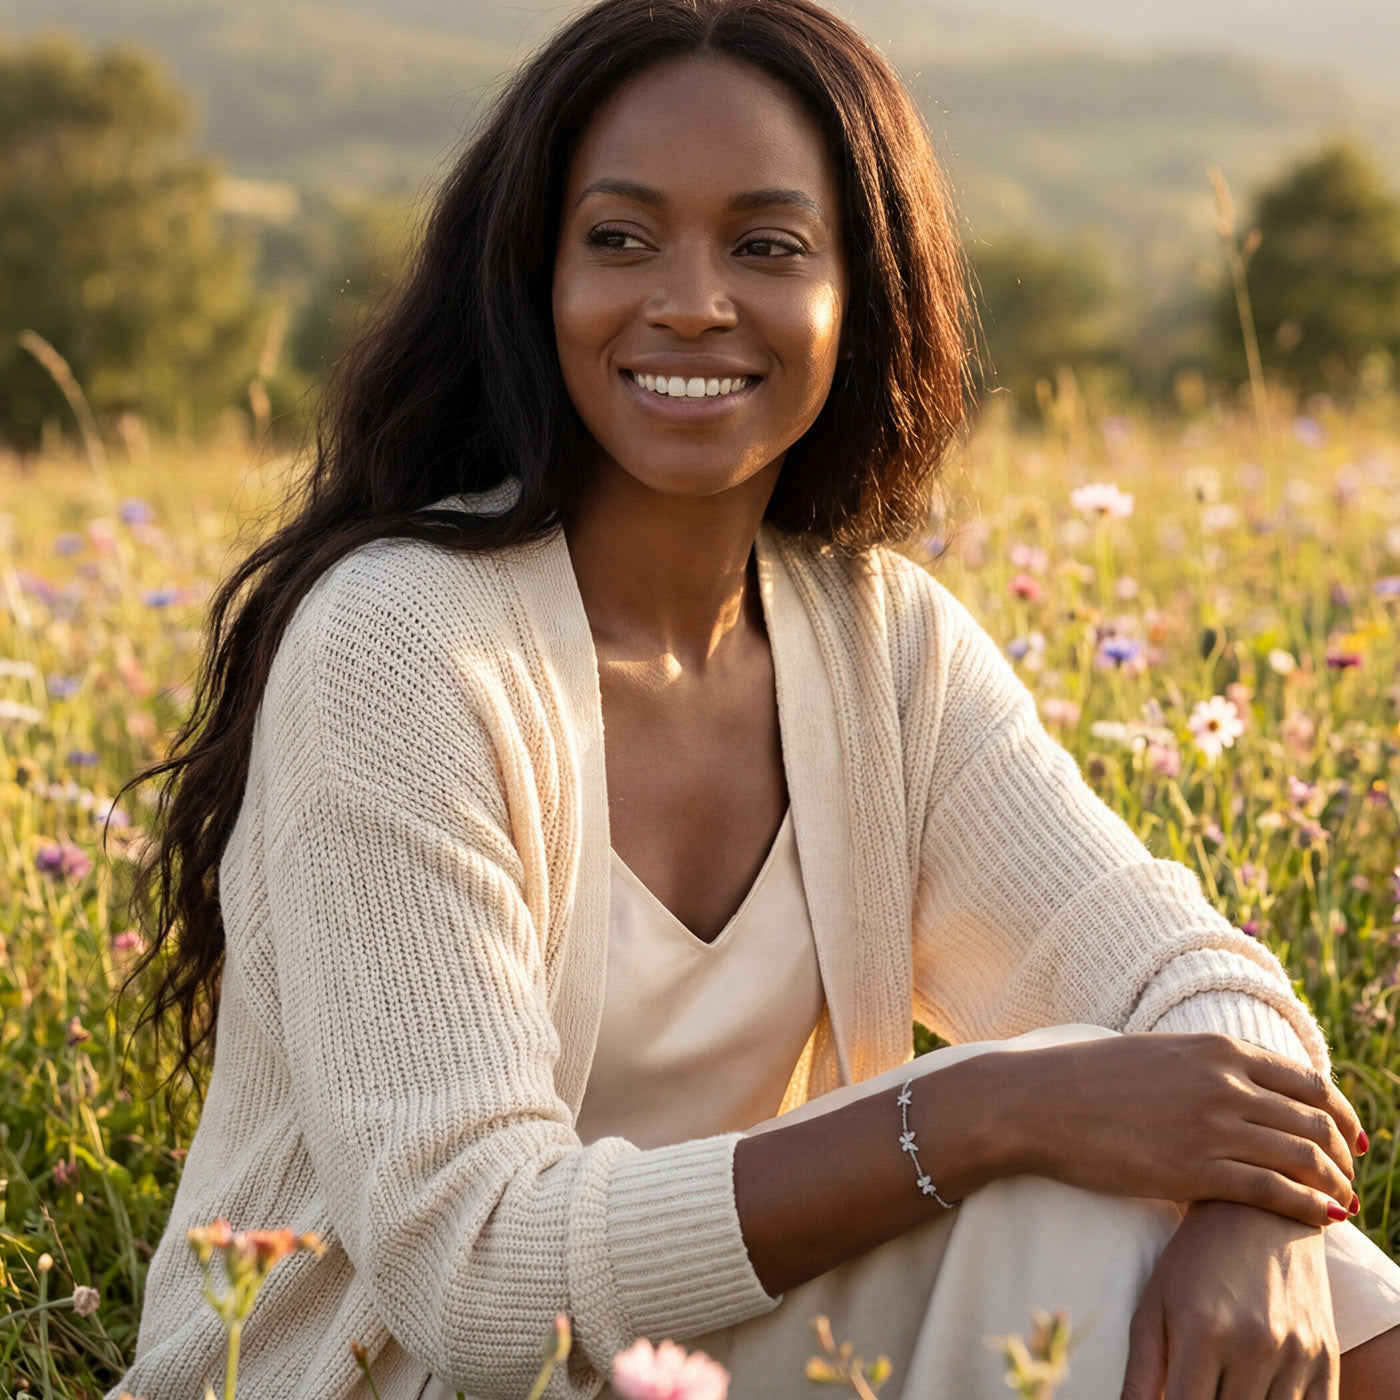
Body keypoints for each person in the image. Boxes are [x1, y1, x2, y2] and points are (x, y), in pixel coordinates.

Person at [113, 1, 1400, 1397]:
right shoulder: (401, 646)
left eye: (767, 246)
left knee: (1298, 1279)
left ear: (861, 295)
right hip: (392, 1375)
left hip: (711, 1357)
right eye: (619, 238)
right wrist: (977, 1110)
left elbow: (1193, 981)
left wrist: (1258, 1207)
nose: (690, 299)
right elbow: (474, 1278)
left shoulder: (879, 645)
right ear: (533, 279)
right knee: (1060, 1177)